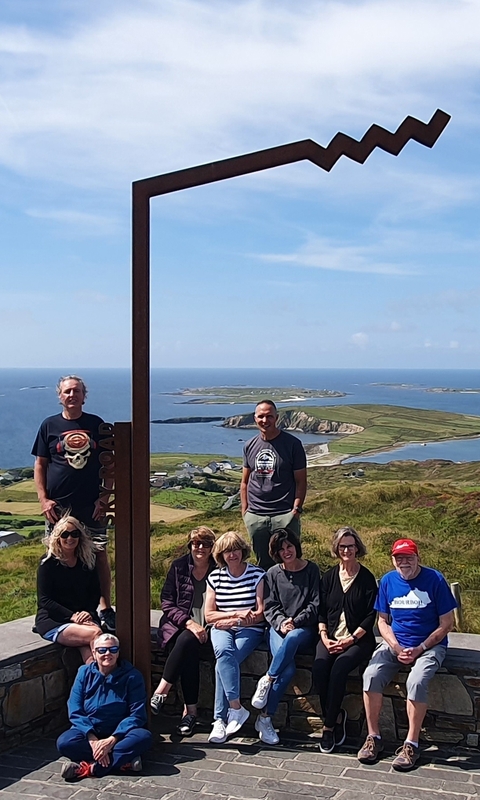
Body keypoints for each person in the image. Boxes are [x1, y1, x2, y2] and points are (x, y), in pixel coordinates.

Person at [358, 538, 457, 771]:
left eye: (408, 557)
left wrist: (421, 648)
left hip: (430, 646)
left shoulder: (435, 579)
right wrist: (395, 646)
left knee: (416, 680)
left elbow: (446, 624)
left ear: (417, 557)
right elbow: (382, 621)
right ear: (393, 560)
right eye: (399, 558)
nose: (404, 562)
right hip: (396, 644)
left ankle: (411, 743)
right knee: (371, 675)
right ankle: (373, 738)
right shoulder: (388, 581)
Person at [32, 374, 115, 633]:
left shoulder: (96, 424)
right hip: (58, 509)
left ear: (83, 396)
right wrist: (43, 500)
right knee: (55, 556)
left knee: (99, 555)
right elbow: (40, 465)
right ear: (60, 396)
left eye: (76, 391)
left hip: (91, 506)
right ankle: (51, 612)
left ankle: (104, 608)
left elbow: (109, 466)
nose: (72, 395)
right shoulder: (49, 426)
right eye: (67, 391)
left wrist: (104, 498)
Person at [251, 529, 320, 745]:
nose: (286, 551)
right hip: (278, 628)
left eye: (289, 546)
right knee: (288, 669)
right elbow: (270, 606)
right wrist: (282, 622)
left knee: (292, 638)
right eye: (281, 549)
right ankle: (265, 718)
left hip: (304, 630)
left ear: (296, 546)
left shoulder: (311, 570)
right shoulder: (272, 573)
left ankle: (268, 678)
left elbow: (315, 603)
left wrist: (295, 622)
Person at [313, 527, 378, 753]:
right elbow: (321, 610)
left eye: (351, 546)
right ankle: (335, 714)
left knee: (339, 669)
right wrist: (324, 637)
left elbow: (371, 615)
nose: (347, 550)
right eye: (343, 546)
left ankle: (328, 727)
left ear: (357, 547)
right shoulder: (329, 577)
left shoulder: (367, 578)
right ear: (337, 548)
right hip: (329, 636)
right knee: (320, 668)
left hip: (358, 640)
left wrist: (350, 640)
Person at [57, 633, 152, 781]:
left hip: (120, 734)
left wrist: (111, 741)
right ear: (94, 653)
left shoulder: (133, 676)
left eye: (113, 650)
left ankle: (89, 768)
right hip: (89, 731)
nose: (108, 653)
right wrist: (93, 740)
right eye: (102, 650)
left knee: (143, 737)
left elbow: (137, 715)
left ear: (118, 652)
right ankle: (122, 762)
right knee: (64, 743)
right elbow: (75, 708)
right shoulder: (84, 673)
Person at [151, 526, 216, 736]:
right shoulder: (179, 567)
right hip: (180, 626)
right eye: (196, 543)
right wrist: (189, 623)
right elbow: (167, 602)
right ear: (190, 545)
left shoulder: (219, 569)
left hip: (209, 628)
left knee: (189, 644)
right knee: (188, 643)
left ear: (212, 547)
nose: (200, 548)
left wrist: (205, 625)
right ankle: (190, 713)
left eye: (205, 543)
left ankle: (161, 693)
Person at [205, 531, 265, 744]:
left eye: (236, 549)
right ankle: (235, 709)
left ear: (243, 550)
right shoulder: (215, 577)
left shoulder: (257, 574)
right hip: (222, 627)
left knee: (223, 662)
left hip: (249, 630)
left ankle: (220, 719)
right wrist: (235, 615)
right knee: (223, 653)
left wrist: (235, 621)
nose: (232, 555)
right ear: (221, 554)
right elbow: (209, 615)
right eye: (227, 551)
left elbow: (260, 614)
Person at [241, 399, 307, 570]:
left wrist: (296, 511)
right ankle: (268, 596)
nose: (265, 420)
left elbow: (301, 481)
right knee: (263, 565)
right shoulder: (249, 446)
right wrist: (245, 512)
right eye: (261, 416)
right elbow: (245, 481)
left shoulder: (293, 444)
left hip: (285, 514)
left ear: (276, 417)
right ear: (255, 419)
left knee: (290, 562)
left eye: (269, 416)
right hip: (256, 516)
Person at [35, 513, 103, 663]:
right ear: (57, 537)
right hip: (55, 620)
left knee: (90, 655)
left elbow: (95, 593)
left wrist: (88, 612)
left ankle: (90, 682)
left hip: (84, 618)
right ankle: (104, 681)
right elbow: (44, 600)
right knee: (97, 634)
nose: (70, 538)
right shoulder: (48, 564)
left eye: (74, 534)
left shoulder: (87, 561)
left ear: (80, 536)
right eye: (65, 534)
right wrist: (72, 616)